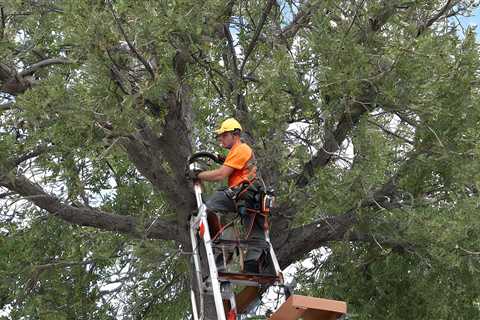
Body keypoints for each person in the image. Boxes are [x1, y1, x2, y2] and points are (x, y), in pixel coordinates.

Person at [192, 118, 266, 273]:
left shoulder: (242, 149)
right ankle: (250, 265)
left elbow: (221, 174)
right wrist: (221, 159)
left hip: (242, 192)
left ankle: (219, 255)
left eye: (224, 135)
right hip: (250, 196)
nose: (221, 139)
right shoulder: (237, 151)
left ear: (235, 134)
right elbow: (234, 166)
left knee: (206, 210)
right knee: (254, 234)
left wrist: (199, 175)